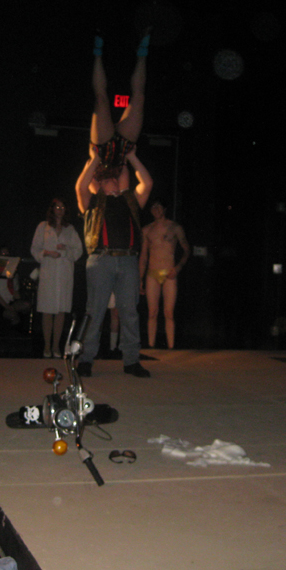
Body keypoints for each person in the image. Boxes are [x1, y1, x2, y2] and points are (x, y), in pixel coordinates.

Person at [74, 30, 153, 377]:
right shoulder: (92, 203)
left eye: (119, 178)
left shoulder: (131, 200)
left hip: (127, 260)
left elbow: (147, 183)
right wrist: (94, 158)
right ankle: (86, 359)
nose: (115, 180)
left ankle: (131, 360)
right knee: (102, 100)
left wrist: (132, 159)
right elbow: (79, 185)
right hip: (102, 260)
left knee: (129, 311)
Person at [31, 198, 83, 358]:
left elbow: (78, 251)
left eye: (62, 207)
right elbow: (34, 249)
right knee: (47, 311)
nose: (59, 210)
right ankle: (47, 346)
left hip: (64, 275)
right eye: (57, 207)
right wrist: (46, 253)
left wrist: (66, 250)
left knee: (61, 311)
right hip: (48, 274)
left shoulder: (70, 229)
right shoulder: (43, 227)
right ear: (52, 209)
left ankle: (56, 346)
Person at [139, 199, 190, 349]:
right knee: (152, 312)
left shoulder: (175, 228)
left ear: (164, 208)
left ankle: (171, 347)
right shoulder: (147, 230)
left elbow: (187, 250)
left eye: (159, 206)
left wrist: (178, 267)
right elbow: (143, 256)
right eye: (153, 207)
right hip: (152, 273)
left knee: (169, 313)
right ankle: (151, 346)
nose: (156, 209)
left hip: (169, 273)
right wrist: (140, 278)